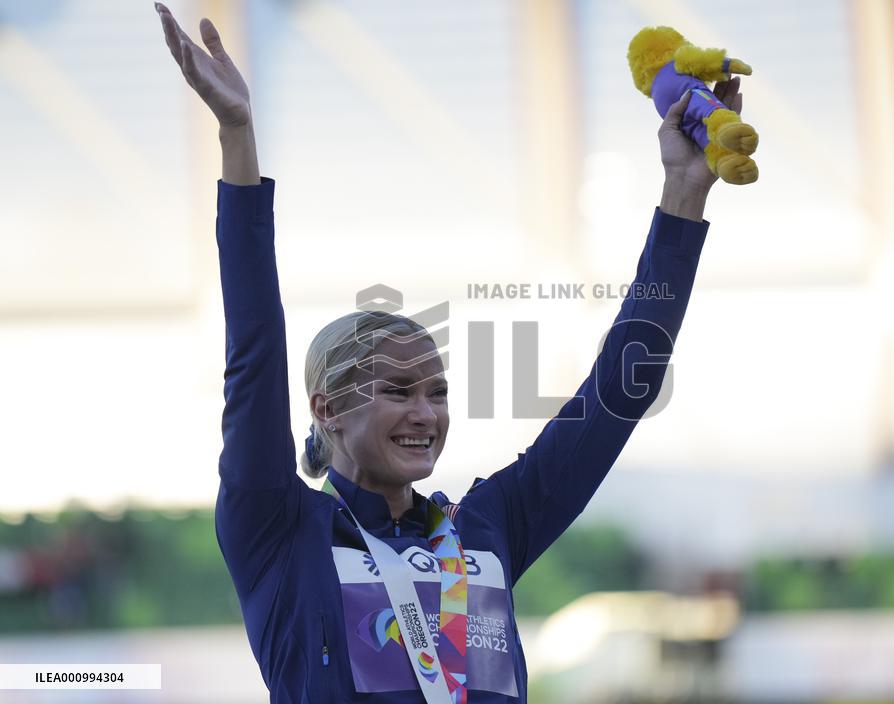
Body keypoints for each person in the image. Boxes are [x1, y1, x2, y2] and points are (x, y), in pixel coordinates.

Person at [155, 3, 740, 702]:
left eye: (437, 392)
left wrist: (684, 191)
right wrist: (237, 139)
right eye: (398, 390)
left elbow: (622, 390)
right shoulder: (279, 530)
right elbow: (252, 350)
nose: (425, 413)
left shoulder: (487, 527)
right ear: (326, 409)